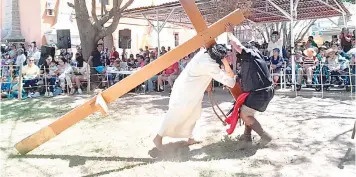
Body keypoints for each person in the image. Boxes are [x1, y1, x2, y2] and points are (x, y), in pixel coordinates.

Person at [152, 44, 236, 153]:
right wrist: (228, 67)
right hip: (185, 92)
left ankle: (190, 138)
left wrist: (209, 82)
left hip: (191, 90)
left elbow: (208, 72)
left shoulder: (204, 54)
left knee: (194, 113)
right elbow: (230, 82)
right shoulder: (209, 64)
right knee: (175, 113)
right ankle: (158, 138)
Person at [225, 23, 274, 147]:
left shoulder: (251, 55)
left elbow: (238, 45)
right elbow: (238, 77)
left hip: (260, 92)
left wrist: (230, 33)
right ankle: (247, 137)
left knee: (245, 114)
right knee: (247, 112)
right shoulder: (251, 61)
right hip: (261, 92)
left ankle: (265, 136)